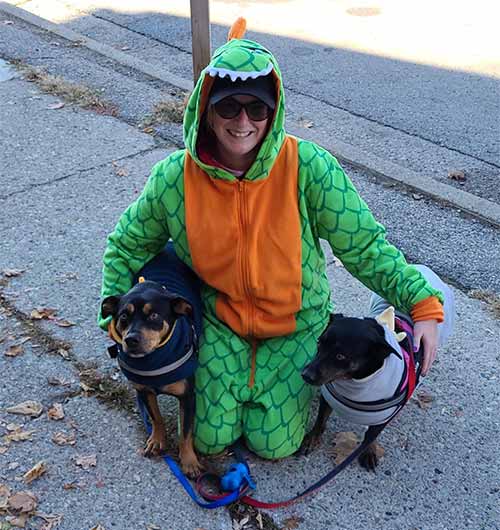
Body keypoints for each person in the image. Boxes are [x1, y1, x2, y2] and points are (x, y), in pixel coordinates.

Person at [99, 19, 446, 460]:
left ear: (274, 109)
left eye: (257, 109)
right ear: (205, 108)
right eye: (228, 107)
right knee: (207, 439)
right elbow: (126, 245)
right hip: (223, 325)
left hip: (297, 325)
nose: (243, 121)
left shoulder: (311, 168)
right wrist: (114, 316)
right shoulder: (173, 179)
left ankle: (279, 405)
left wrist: (422, 303)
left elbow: (365, 248)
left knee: (274, 446)